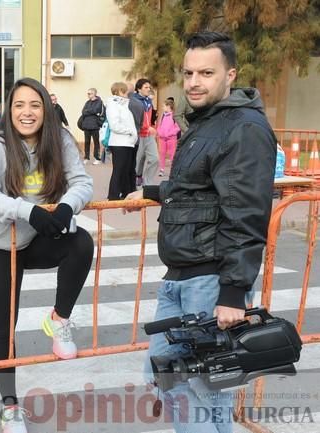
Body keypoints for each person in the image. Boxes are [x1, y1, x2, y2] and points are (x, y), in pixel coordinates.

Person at [125, 31, 277, 432]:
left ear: (230, 75)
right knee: (168, 377)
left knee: (204, 391)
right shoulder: (209, 121)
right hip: (181, 278)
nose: (193, 81)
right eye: (189, 72)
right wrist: (153, 191)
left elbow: (246, 213)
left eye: (206, 72)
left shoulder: (243, 127)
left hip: (210, 284)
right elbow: (200, 186)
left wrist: (232, 294)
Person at [0, 77, 94, 433]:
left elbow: (82, 182)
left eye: (35, 105)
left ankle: (59, 320)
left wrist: (67, 208)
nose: (27, 112)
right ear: (10, 109)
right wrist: (29, 211)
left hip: (37, 239)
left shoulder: (60, 140)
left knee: (81, 243)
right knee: (4, 328)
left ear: (46, 109)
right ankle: (9, 407)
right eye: (20, 105)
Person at [105, 82, 137, 200]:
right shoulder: (113, 105)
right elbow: (114, 125)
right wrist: (129, 131)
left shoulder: (123, 105)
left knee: (126, 169)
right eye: (124, 91)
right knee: (119, 170)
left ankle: (126, 193)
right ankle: (113, 195)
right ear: (117, 92)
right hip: (119, 143)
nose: (126, 93)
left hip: (127, 142)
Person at [132, 78, 159, 186]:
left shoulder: (149, 101)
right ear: (139, 89)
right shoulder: (134, 102)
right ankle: (137, 177)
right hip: (139, 136)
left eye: (149, 87)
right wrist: (147, 128)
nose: (148, 89)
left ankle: (147, 183)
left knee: (155, 159)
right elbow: (137, 120)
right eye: (146, 87)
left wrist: (152, 127)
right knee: (138, 162)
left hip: (149, 136)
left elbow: (150, 118)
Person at [156, 98, 180, 176]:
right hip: (162, 139)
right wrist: (159, 133)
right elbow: (159, 126)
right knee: (162, 153)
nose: (163, 108)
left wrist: (169, 134)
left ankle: (173, 170)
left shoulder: (174, 116)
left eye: (164, 106)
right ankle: (162, 169)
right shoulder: (163, 116)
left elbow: (178, 128)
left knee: (172, 155)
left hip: (171, 139)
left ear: (169, 106)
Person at [80, 88, 104, 164]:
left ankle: (97, 158)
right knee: (87, 142)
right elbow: (83, 112)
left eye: (90, 93)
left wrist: (89, 111)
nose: (88, 95)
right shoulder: (87, 102)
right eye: (88, 93)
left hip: (95, 125)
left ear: (94, 94)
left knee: (96, 142)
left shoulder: (99, 102)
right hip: (86, 125)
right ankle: (86, 157)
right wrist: (90, 111)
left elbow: (96, 110)